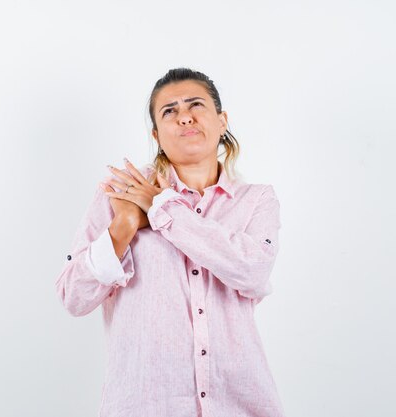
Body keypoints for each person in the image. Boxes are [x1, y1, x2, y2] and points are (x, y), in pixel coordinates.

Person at [54, 68, 285, 417]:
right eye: (169, 111)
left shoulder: (256, 201)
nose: (185, 117)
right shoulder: (122, 193)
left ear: (222, 121)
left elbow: (252, 272)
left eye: (196, 105)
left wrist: (162, 209)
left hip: (239, 404)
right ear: (156, 134)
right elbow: (73, 296)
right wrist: (125, 225)